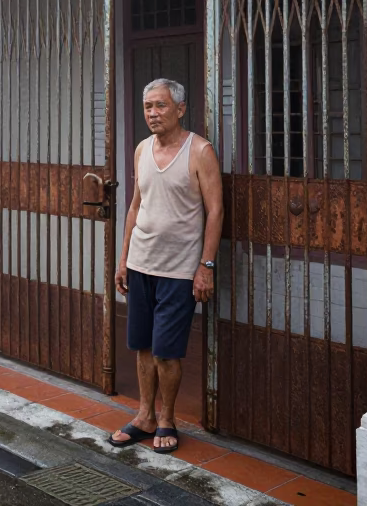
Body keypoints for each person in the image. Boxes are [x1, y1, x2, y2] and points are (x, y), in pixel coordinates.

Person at [108, 78, 223, 453]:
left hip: (178, 270)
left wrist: (205, 265)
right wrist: (123, 259)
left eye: (160, 106)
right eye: (148, 107)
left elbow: (215, 211)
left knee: (165, 351)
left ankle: (167, 418)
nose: (153, 114)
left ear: (180, 108)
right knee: (141, 345)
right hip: (141, 263)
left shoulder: (199, 151)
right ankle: (144, 415)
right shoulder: (142, 149)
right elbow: (135, 205)